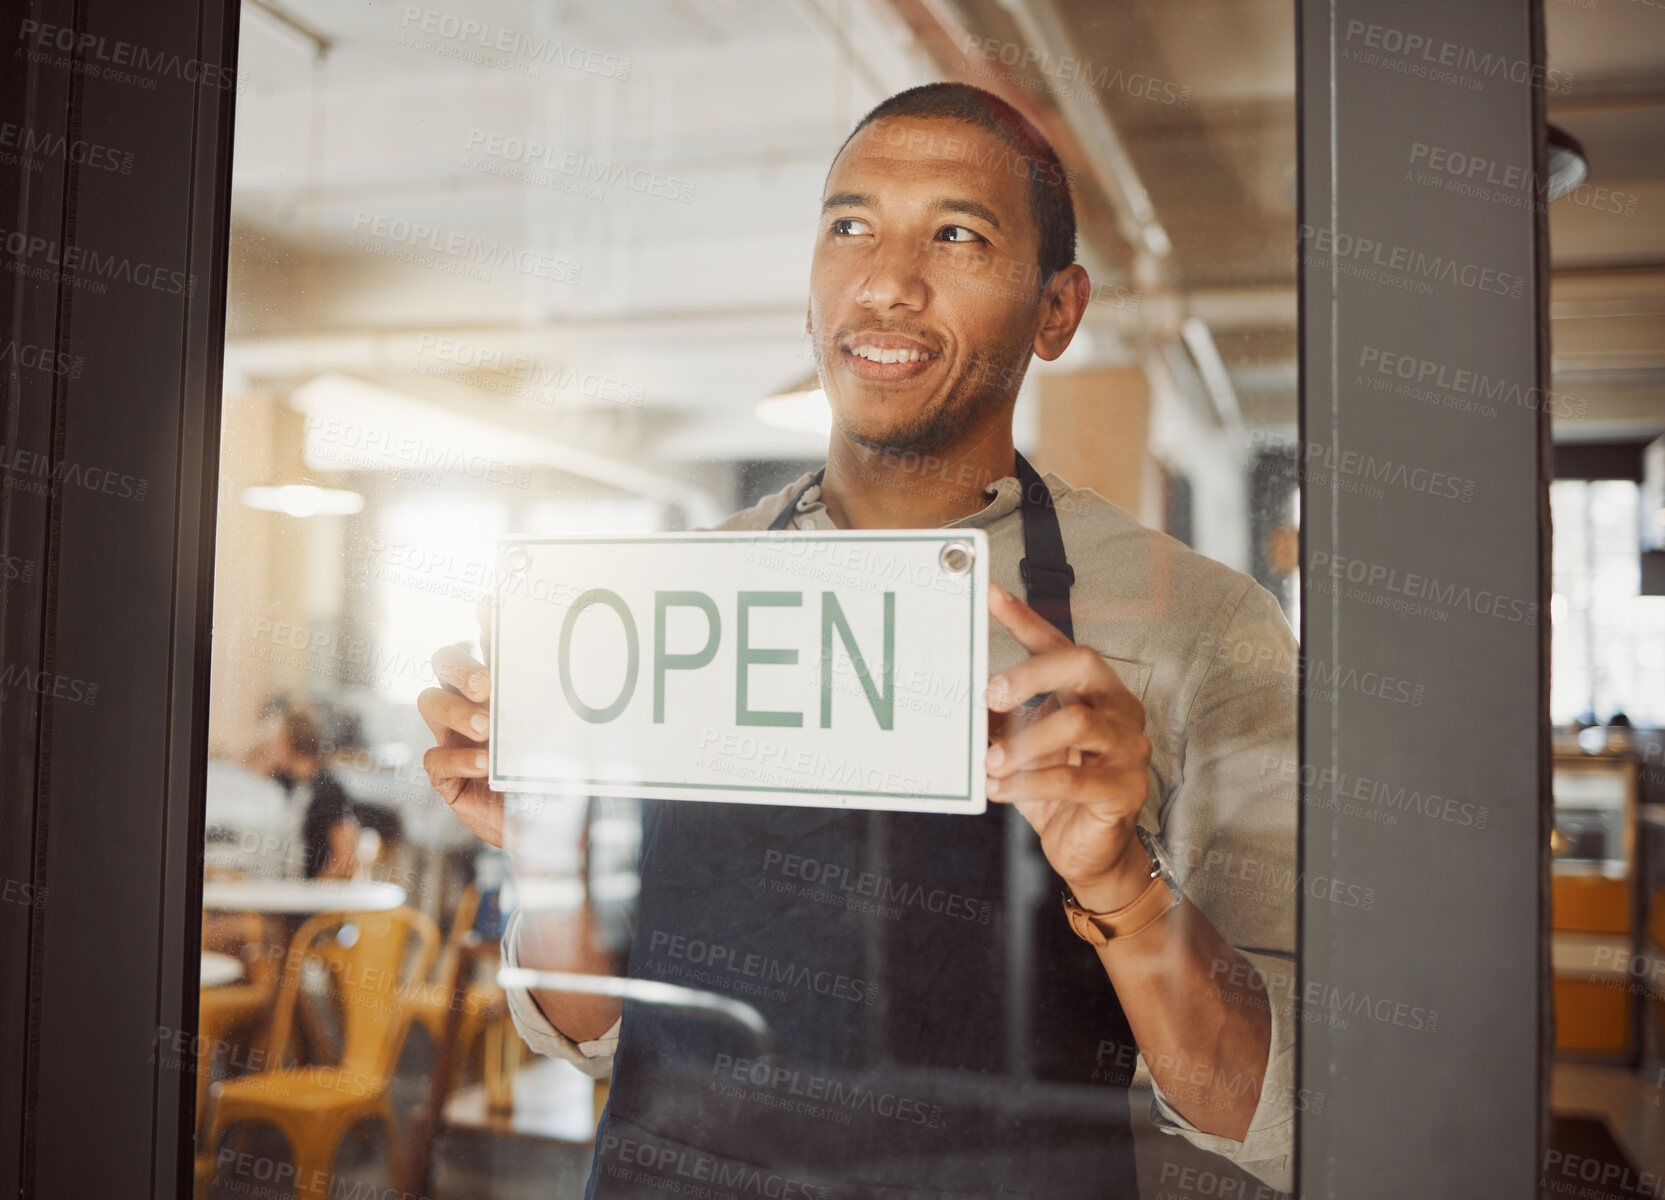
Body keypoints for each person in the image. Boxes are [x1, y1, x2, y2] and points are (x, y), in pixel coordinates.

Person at [420, 82, 1297, 1196]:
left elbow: (1270, 1108)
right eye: (850, 228)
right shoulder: (671, 601)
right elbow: (598, 1032)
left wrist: (1121, 883)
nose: (886, 281)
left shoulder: (1208, 627)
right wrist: (543, 850)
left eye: (958, 235)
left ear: (1057, 310)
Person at [242, 702, 361, 880]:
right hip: (289, 890)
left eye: (276, 739)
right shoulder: (289, 781)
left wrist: (315, 896)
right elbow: (245, 761)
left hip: (311, 897)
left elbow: (345, 855)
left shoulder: (328, 788)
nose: (270, 746)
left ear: (291, 742)